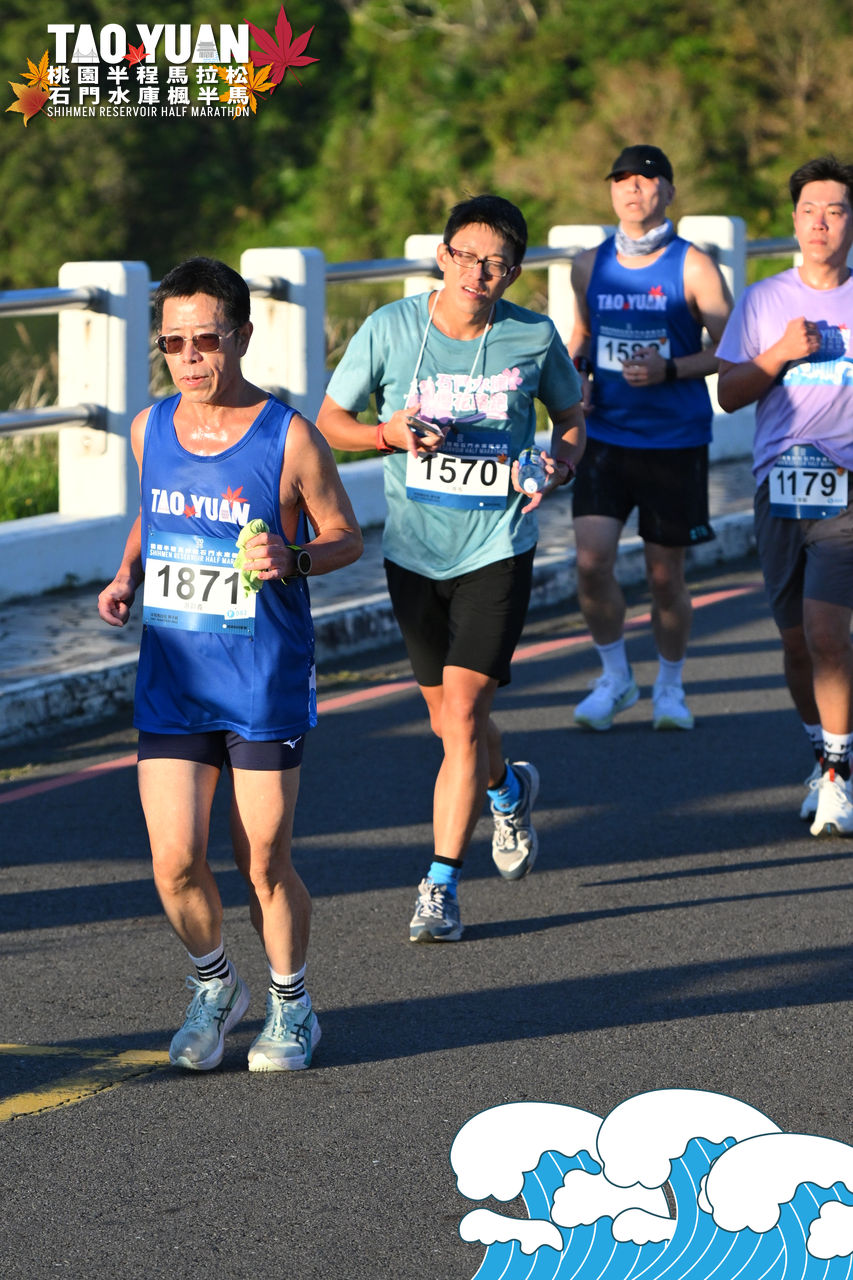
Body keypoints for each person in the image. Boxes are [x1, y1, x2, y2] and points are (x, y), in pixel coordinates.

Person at [98, 257, 363, 1071]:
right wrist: (126, 573)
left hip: (261, 681)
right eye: (173, 343)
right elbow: (154, 513)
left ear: (242, 336)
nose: (189, 358)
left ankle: (292, 1003)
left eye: (206, 340)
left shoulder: (290, 437)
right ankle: (215, 986)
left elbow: (345, 535)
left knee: (264, 863)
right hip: (174, 677)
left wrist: (293, 557)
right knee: (174, 861)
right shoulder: (149, 428)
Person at [316, 194, 585, 942]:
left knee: (464, 716)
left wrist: (558, 465)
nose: (478, 272)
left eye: (495, 263)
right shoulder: (390, 328)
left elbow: (571, 419)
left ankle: (439, 885)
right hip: (413, 553)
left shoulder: (532, 336)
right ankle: (507, 788)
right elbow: (330, 422)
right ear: (442, 257)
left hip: (497, 546)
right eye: (466, 256)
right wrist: (387, 433)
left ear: (513, 273)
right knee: (450, 725)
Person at [569, 144, 734, 731]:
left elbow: (732, 349)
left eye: (645, 179)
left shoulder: (694, 266)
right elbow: (582, 334)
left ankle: (670, 684)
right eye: (621, 180)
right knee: (591, 564)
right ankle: (616, 677)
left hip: (673, 440)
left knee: (666, 578)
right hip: (605, 436)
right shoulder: (588, 264)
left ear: (668, 190)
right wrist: (576, 377)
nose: (632, 189)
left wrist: (670, 369)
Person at [716, 155, 853, 837]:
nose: (820, 223)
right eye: (808, 211)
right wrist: (777, 355)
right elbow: (727, 393)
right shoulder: (763, 300)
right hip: (778, 486)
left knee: (828, 635)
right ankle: (822, 759)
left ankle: (837, 778)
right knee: (796, 642)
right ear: (794, 222)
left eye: (834, 210)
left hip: (845, 487)